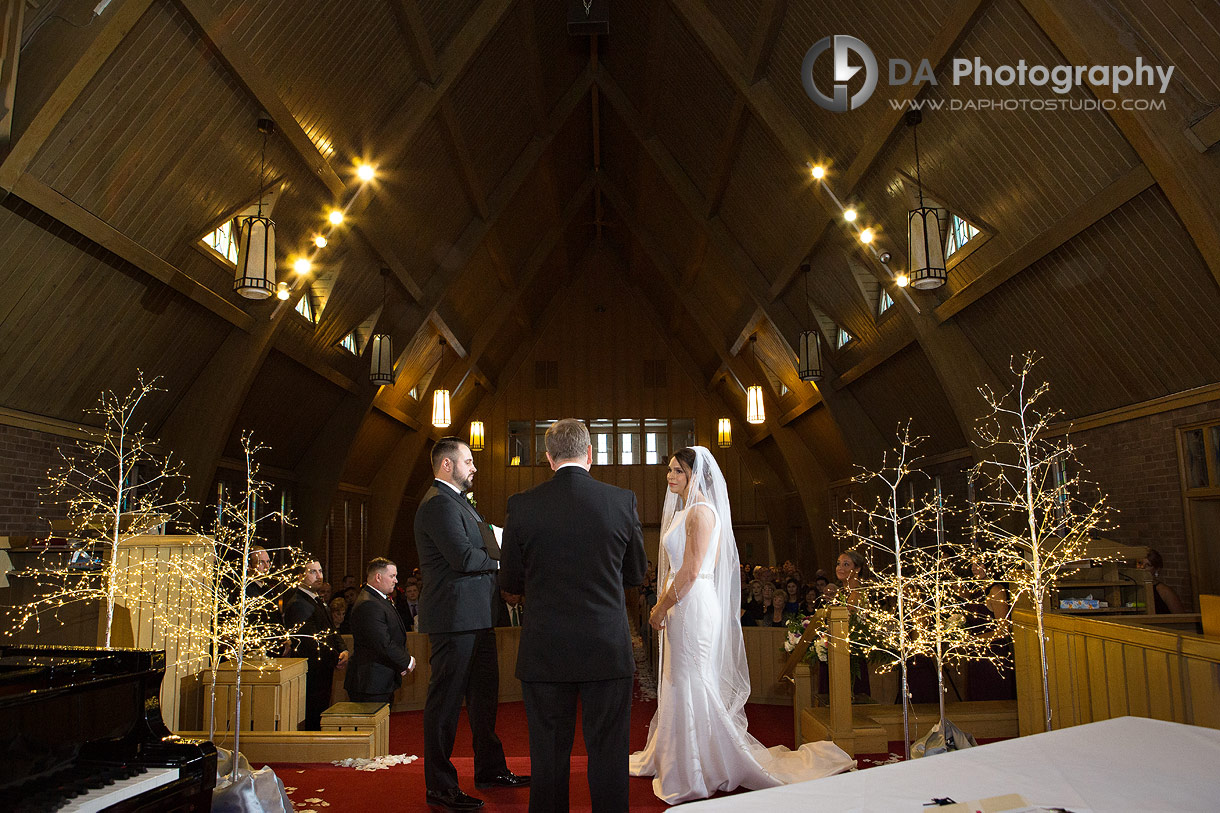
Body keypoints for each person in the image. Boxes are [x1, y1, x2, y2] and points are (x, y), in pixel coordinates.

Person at [630, 447, 852, 804]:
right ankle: (681, 756)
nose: (669, 476)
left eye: (676, 471)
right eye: (669, 470)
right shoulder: (689, 510)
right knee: (681, 680)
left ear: (694, 474)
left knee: (693, 681)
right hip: (685, 604)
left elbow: (690, 571)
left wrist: (659, 608)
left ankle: (698, 767)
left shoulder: (700, 513)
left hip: (691, 604)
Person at [501, 418, 648, 813]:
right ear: (590, 455)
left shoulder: (523, 505)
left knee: (548, 754)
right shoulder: (621, 500)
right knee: (608, 751)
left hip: (545, 647)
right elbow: (636, 574)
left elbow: (510, 580)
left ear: (548, 458)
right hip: (605, 645)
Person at [416, 437, 525, 812]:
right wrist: (500, 560)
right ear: (447, 465)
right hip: (454, 618)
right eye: (468, 461)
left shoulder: (458, 502)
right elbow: (463, 557)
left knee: (484, 699)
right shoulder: (437, 505)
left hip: (476, 617)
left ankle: (490, 770)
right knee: (445, 704)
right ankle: (440, 787)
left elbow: (481, 546)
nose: (474, 468)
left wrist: (496, 551)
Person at [283, 559, 349, 730]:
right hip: (312, 671)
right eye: (312, 572)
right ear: (299, 576)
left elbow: (331, 630)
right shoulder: (299, 603)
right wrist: (336, 657)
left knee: (320, 714)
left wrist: (343, 650)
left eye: (320, 571)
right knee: (312, 718)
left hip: (322, 668)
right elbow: (311, 641)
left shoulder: (316, 599)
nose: (319, 576)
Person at [344, 558, 415, 705]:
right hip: (370, 682)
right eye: (392, 576)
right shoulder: (369, 603)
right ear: (378, 577)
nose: (396, 580)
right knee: (372, 727)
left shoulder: (378, 599)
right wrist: (406, 661)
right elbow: (382, 643)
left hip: (379, 679)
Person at [1139, 549, 1187, 614]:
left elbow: (1180, 616)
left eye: (1148, 565)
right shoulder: (1136, 588)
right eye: (1140, 563)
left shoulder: (1164, 591)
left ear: (1156, 569)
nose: (1142, 567)